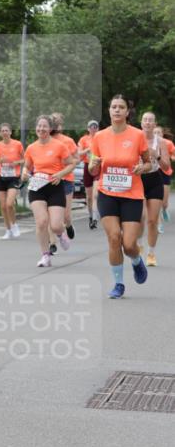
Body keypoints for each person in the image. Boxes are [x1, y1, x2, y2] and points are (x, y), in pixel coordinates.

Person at [88, 95, 150, 297]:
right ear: (109, 111)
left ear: (127, 112)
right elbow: (91, 168)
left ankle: (136, 260)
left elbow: (149, 163)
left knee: (129, 244)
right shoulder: (99, 137)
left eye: (121, 107)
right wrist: (93, 165)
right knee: (114, 238)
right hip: (107, 193)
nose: (116, 110)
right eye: (113, 107)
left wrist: (143, 167)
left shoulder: (138, 135)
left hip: (132, 194)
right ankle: (118, 284)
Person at [21, 115, 78, 268]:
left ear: (50, 128)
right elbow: (27, 166)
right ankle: (45, 256)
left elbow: (71, 163)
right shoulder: (31, 148)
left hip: (54, 186)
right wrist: (24, 172)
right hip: (37, 187)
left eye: (45, 126)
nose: (41, 129)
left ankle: (60, 234)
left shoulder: (59, 146)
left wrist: (60, 174)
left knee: (56, 225)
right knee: (41, 222)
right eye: (39, 126)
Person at [138, 112, 168, 266]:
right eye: (145, 120)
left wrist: (157, 156)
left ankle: (151, 253)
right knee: (140, 217)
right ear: (141, 123)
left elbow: (167, 166)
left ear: (154, 124)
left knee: (152, 220)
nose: (148, 123)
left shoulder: (160, 142)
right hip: (138, 180)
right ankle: (139, 244)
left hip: (155, 180)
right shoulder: (135, 138)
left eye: (151, 120)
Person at [0, 122, 24, 239]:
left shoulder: (17, 144)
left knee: (9, 204)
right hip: (1, 177)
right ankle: (8, 229)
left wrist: (16, 163)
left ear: (10, 132)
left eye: (6, 130)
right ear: (0, 133)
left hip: (14, 177)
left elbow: (25, 159)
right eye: (2, 131)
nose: (5, 132)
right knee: (3, 206)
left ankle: (14, 225)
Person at [50, 113, 79, 242]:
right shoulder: (44, 140)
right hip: (49, 181)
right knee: (51, 214)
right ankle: (52, 244)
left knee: (65, 216)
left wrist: (66, 163)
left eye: (58, 122)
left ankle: (68, 225)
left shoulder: (68, 141)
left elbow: (77, 159)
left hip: (66, 180)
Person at [78, 120, 100, 229]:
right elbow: (78, 153)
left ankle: (95, 218)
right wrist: (87, 150)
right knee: (89, 196)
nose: (93, 129)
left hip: (97, 166)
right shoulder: (83, 139)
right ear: (88, 128)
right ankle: (91, 216)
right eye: (91, 127)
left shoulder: (101, 138)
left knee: (95, 195)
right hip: (87, 166)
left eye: (95, 127)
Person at [155, 126, 174, 225]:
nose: (157, 135)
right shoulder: (149, 143)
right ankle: (159, 222)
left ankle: (164, 209)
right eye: (155, 133)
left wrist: (172, 157)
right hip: (154, 172)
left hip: (165, 172)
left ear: (162, 134)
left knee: (164, 202)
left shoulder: (168, 143)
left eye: (159, 133)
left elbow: (173, 153)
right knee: (156, 199)